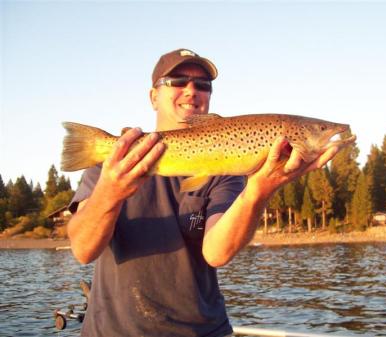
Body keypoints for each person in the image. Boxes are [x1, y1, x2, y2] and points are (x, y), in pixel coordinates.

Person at [67, 48, 343, 337]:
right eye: (177, 81)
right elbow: (83, 250)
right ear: (153, 97)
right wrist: (110, 193)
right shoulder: (113, 164)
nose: (191, 91)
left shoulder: (228, 171)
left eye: (202, 85)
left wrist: (260, 189)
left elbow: (216, 253)